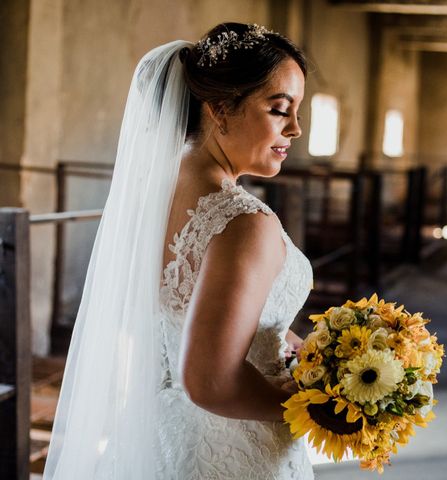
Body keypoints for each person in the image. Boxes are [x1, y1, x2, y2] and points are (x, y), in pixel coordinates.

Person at [43, 23, 314, 479]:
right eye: (279, 109)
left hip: (160, 438)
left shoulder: (147, 199)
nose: (296, 129)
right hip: (233, 453)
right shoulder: (245, 223)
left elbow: (191, 312)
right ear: (220, 109)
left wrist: (296, 347)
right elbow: (209, 382)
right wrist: (323, 406)